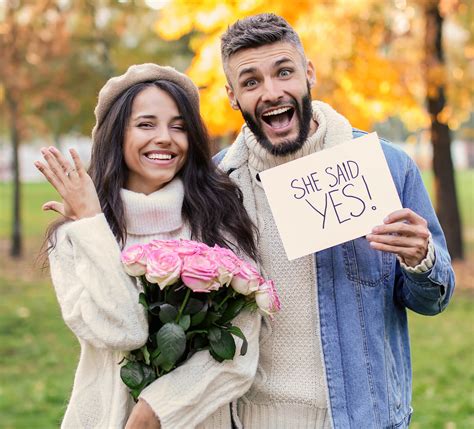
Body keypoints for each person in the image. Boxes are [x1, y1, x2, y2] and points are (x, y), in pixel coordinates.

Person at [210, 13, 455, 429]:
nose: (271, 92)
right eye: (251, 82)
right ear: (233, 96)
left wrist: (421, 259)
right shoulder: (216, 187)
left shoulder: (387, 168)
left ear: (308, 74)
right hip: (250, 419)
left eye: (283, 72)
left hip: (362, 418)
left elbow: (433, 300)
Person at [35, 63, 263, 429]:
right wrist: (93, 226)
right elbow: (124, 331)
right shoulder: (75, 237)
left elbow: (239, 353)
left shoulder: (219, 221)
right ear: (116, 135)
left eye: (179, 126)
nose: (165, 138)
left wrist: (156, 411)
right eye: (146, 125)